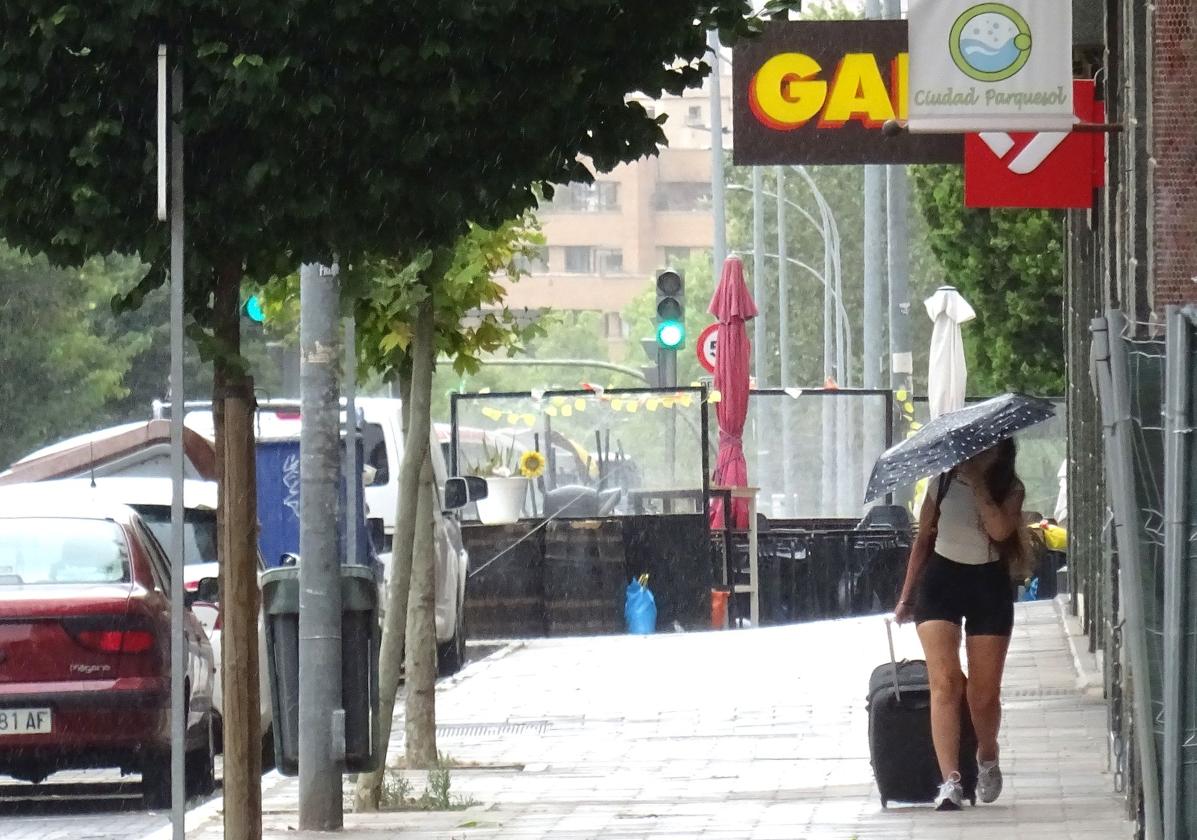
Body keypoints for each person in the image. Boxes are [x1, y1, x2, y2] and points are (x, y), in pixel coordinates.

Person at [894, 438, 1030, 811]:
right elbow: (923, 539)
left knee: (983, 695)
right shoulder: (942, 481)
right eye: (973, 448)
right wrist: (907, 596)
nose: (976, 454)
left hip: (989, 584)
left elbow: (1001, 531)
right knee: (945, 682)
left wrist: (980, 485)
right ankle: (950, 780)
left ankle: (987, 755)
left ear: (1001, 454)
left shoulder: (1011, 489)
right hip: (941, 581)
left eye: (987, 449)